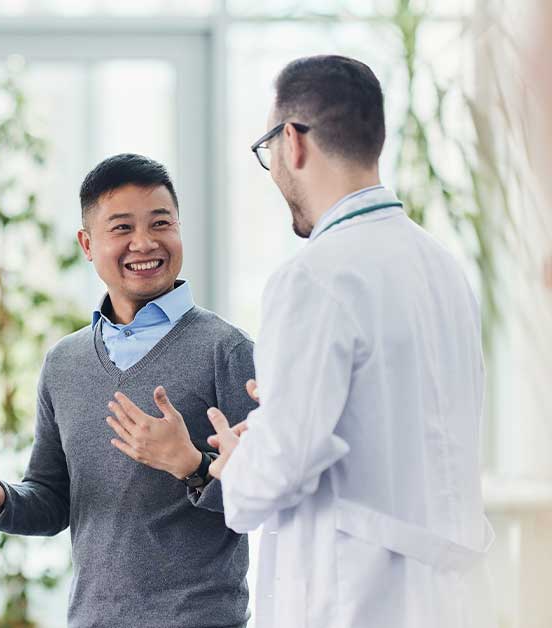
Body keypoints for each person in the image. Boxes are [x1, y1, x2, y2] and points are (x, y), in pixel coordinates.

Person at [201, 55, 494, 628]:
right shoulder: (441, 266)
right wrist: (278, 418)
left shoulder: (314, 275)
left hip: (355, 599)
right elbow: (402, 425)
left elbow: (278, 475)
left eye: (269, 150)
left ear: (292, 141)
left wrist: (239, 461)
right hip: (450, 599)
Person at [0, 154, 257, 628]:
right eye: (122, 228)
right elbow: (53, 500)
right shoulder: (64, 363)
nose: (145, 243)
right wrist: (1, 498)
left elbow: (261, 499)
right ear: (87, 244)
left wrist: (191, 465)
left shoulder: (227, 350)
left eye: (161, 223)